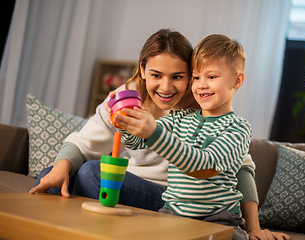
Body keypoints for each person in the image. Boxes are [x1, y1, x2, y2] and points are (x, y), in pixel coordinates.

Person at [30, 29, 288, 240]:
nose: (166, 87)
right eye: (156, 75)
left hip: (188, 202)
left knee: (89, 173)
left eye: (179, 76)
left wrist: (254, 228)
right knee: (51, 176)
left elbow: (233, 167)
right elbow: (110, 139)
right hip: (166, 203)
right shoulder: (135, 97)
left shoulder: (214, 113)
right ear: (143, 70)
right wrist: (121, 121)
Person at [112, 34, 289, 240]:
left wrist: (154, 132)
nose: (201, 85)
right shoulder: (179, 118)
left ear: (237, 80)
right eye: (196, 77)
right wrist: (125, 122)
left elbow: (203, 167)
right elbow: (136, 142)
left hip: (217, 218)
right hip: (172, 213)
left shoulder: (238, 129)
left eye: (211, 77)